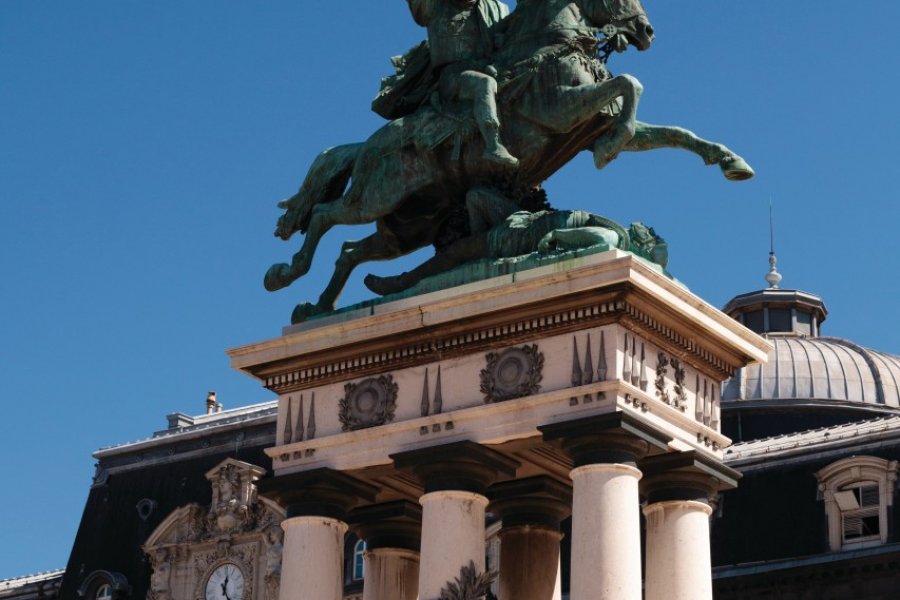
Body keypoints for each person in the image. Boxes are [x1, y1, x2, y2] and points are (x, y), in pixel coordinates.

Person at [406, 0, 519, 168]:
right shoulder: (435, 6)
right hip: (453, 75)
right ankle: (493, 145)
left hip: (491, 67)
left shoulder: (497, 8)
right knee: (484, 84)